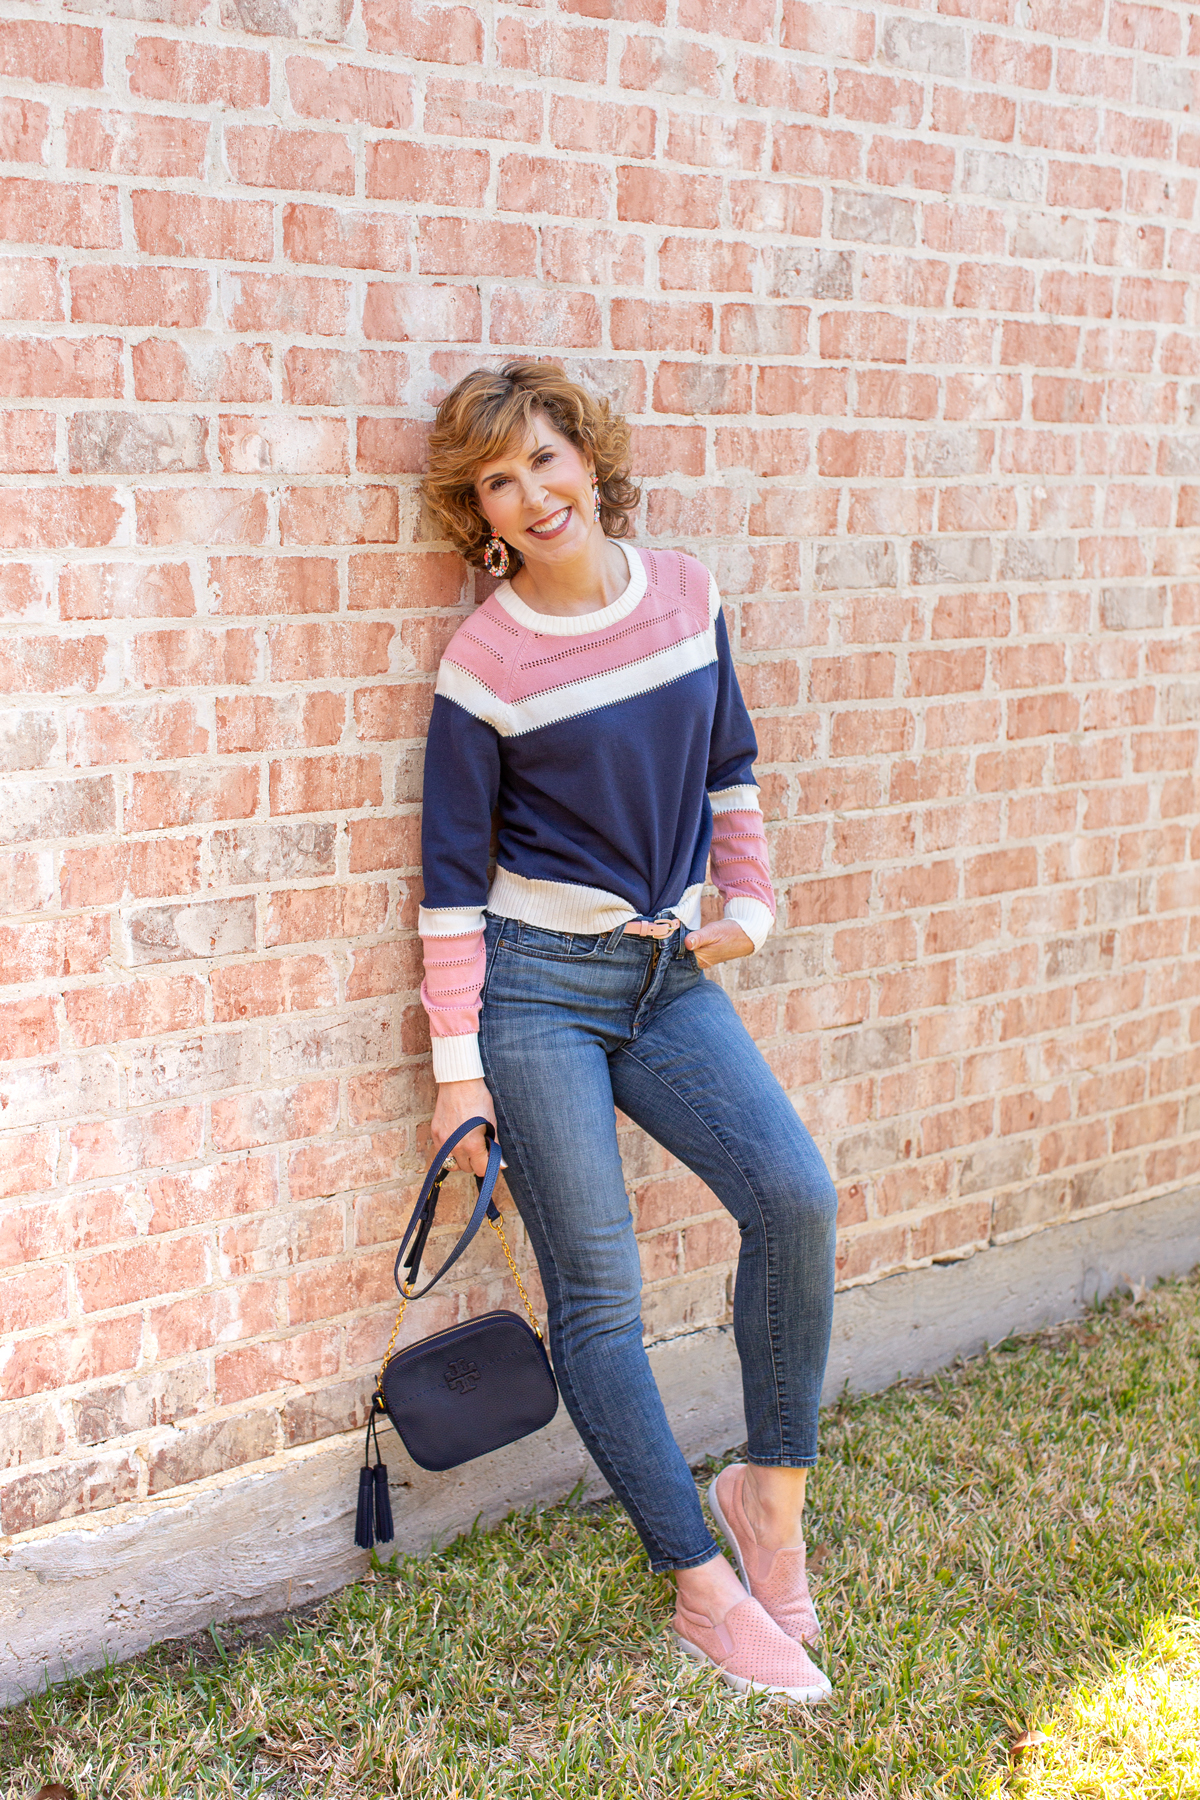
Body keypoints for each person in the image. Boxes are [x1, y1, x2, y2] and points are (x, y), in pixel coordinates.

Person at [417, 361, 839, 1702]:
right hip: (535, 990)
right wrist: (455, 1077)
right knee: (601, 1300)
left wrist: (754, 905)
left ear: (589, 460)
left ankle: (767, 1498)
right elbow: (445, 884)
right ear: (478, 512)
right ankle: (701, 1590)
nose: (534, 494)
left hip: (666, 980)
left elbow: (730, 766)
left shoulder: (688, 597)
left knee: (795, 1195)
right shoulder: (484, 662)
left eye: (546, 459)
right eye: (500, 481)